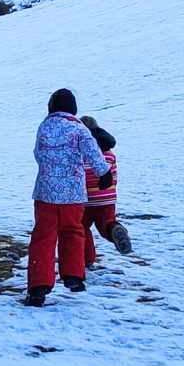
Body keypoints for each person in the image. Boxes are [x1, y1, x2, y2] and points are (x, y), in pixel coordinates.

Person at [26, 89, 111, 308]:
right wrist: (103, 172)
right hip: (73, 194)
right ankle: (73, 275)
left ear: (51, 107)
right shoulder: (79, 128)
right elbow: (93, 152)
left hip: (46, 194)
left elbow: (38, 153)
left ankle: (38, 287)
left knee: (43, 237)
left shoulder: (44, 127)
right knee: (73, 232)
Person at [79, 116, 133, 268]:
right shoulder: (109, 154)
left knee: (81, 227)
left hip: (86, 199)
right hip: (107, 198)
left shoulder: (83, 153)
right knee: (106, 224)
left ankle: (87, 259)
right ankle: (115, 229)